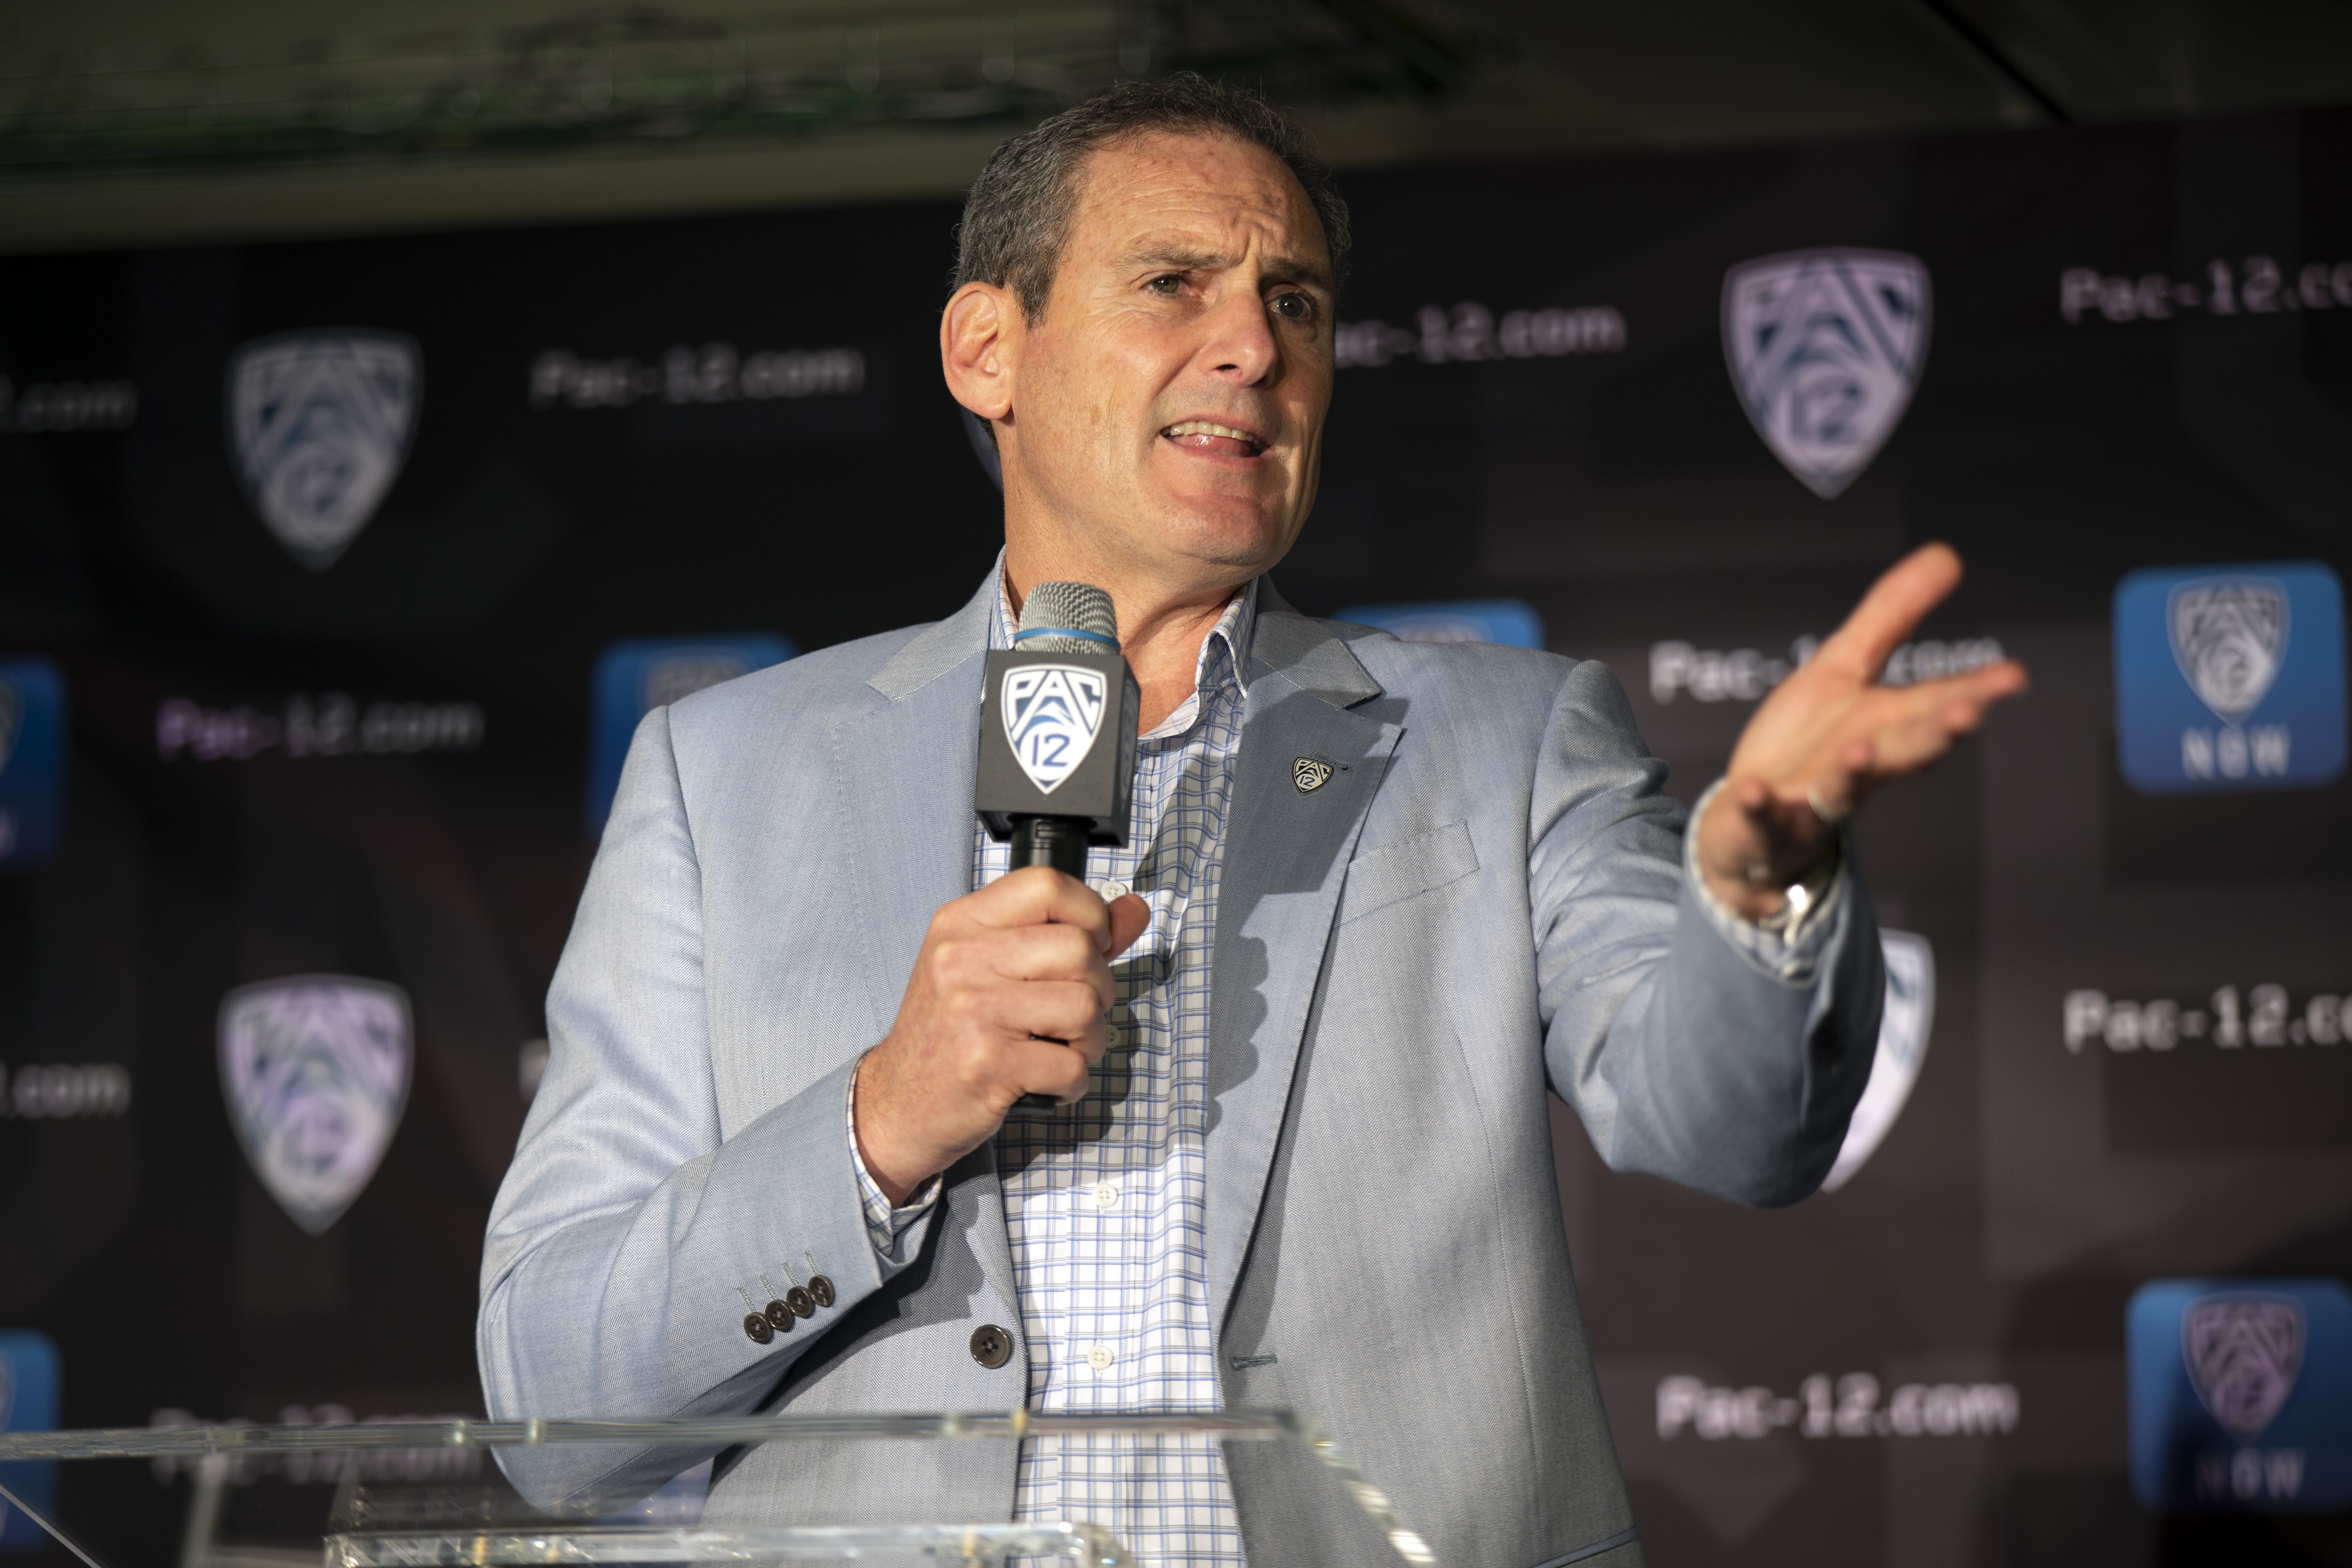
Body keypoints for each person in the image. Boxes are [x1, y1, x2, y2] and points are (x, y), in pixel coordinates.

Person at [478, 74, 2026, 1568]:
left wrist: (1766, 894)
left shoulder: (1502, 741)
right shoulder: (723, 776)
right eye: (1173, 282)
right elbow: (549, 1408)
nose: (1251, 347)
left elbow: (1736, 1129)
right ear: (986, 349)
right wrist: (879, 1126)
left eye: (1295, 303)